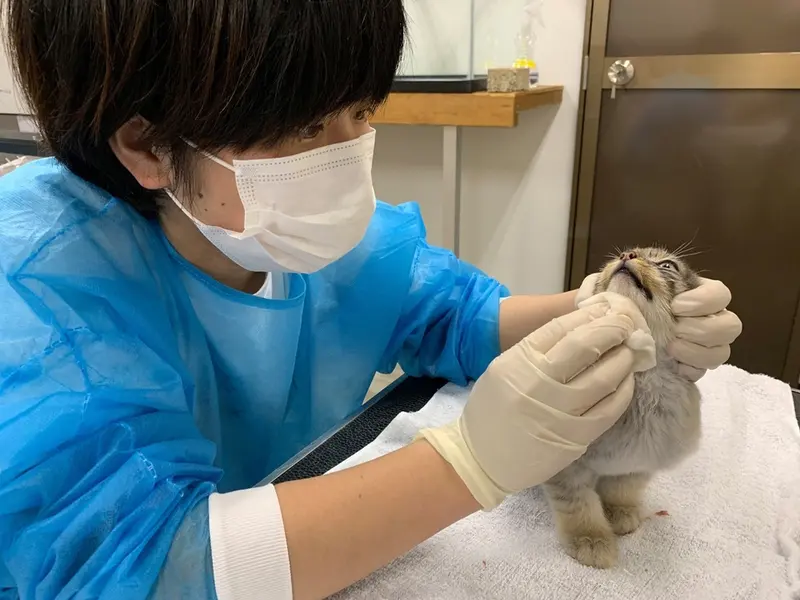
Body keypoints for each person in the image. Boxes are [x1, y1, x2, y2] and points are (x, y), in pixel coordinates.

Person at [0, 1, 742, 598]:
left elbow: (453, 316)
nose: (349, 151)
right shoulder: (37, 294)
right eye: (305, 126)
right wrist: (468, 463)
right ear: (148, 146)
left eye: (362, 111)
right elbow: (147, 570)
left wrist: (607, 308)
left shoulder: (308, 237)